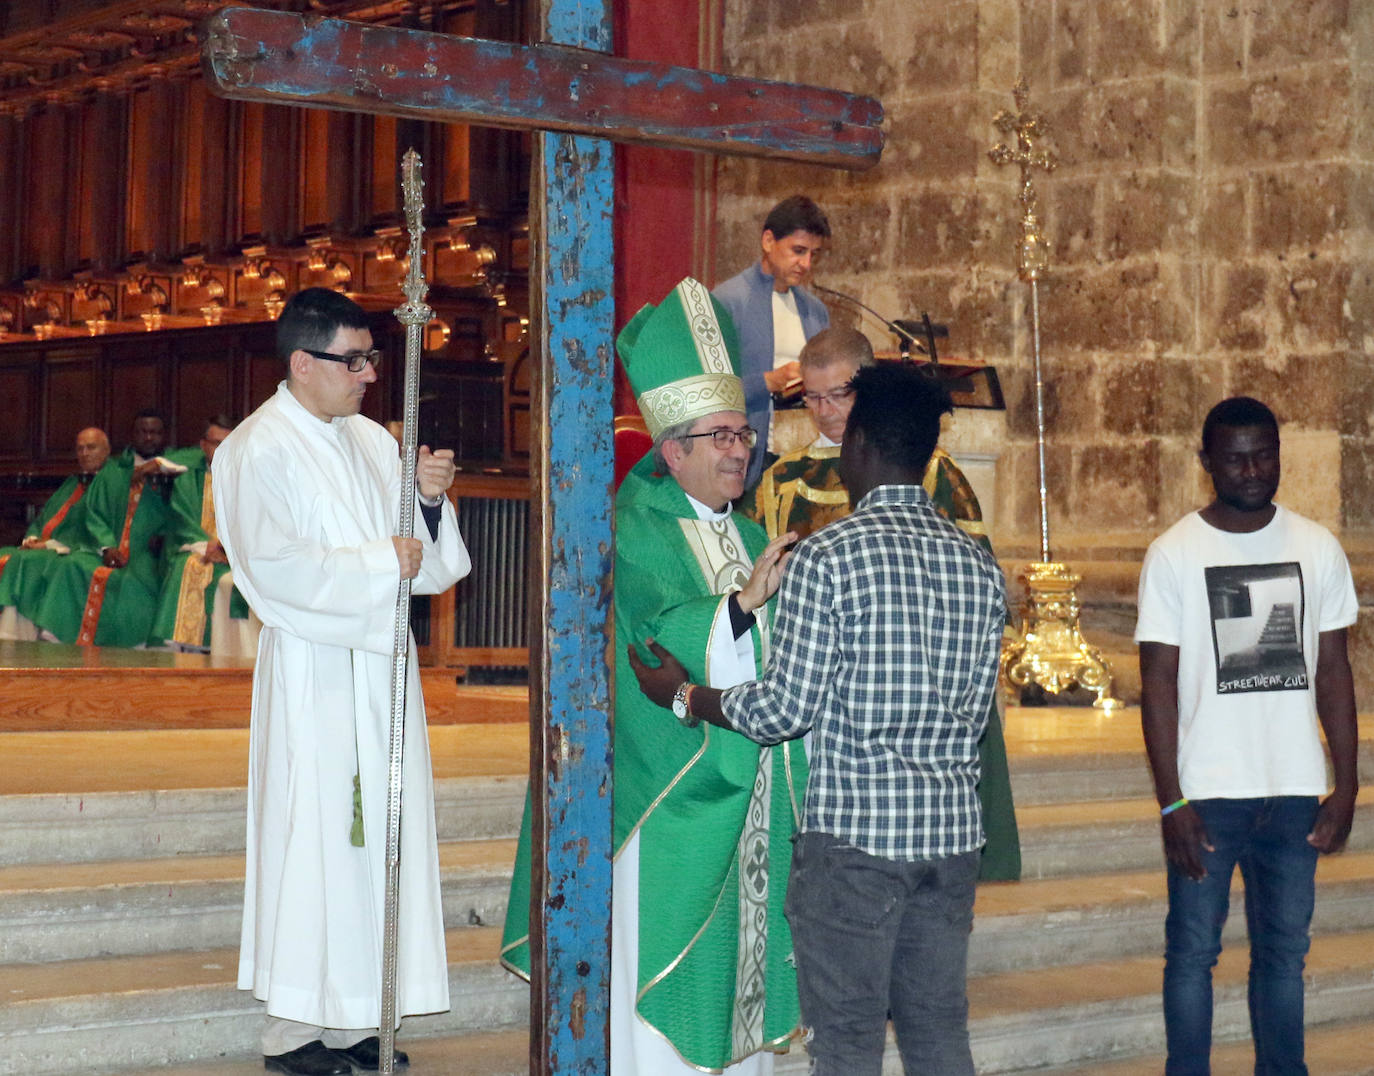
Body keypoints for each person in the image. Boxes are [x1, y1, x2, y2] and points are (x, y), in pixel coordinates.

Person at [631, 361, 1006, 1076]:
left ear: (857, 447)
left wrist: (686, 696)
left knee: (847, 1042)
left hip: (857, 847)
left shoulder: (829, 557)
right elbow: (978, 711)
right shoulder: (978, 567)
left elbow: (783, 710)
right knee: (937, 1033)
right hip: (953, 840)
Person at [500, 278, 806, 1074]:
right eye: (721, 437)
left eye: (744, 433)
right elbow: (651, 647)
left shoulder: (750, 527)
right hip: (667, 793)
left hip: (754, 787)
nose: (741, 449)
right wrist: (740, 605)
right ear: (673, 451)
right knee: (663, 965)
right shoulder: (632, 530)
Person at [214, 287, 471, 1076]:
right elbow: (273, 570)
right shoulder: (255, 450)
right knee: (317, 842)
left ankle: (359, 1015)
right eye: (353, 359)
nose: (367, 374)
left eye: (371, 358)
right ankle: (294, 1032)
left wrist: (428, 501)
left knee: (376, 846)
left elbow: (432, 568)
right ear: (303, 361)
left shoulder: (368, 439)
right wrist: (374, 564)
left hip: (381, 677)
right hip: (315, 680)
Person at [739, 326, 1020, 881]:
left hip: (909, 695)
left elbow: (979, 596)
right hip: (808, 681)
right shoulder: (781, 479)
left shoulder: (932, 473)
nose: (823, 411)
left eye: (838, 394)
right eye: (811, 397)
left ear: (865, 390)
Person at [1135, 396, 1358, 1075]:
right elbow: (1160, 682)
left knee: (1285, 955)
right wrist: (1172, 800)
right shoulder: (1174, 553)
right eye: (1234, 457)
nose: (1252, 468)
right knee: (1194, 953)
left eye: (1264, 454)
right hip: (1208, 792)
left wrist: (1346, 783)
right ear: (1206, 462)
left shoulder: (1316, 547)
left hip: (1292, 788)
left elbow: (1335, 674)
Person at [31, 410, 183, 646]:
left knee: (136, 581)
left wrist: (163, 536)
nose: (149, 437)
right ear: (133, 435)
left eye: (155, 432)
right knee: (72, 565)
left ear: (164, 436)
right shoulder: (114, 471)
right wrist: (107, 546)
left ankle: (135, 642)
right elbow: (95, 513)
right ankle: (59, 634)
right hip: (108, 548)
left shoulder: (177, 473)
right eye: (143, 432)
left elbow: (182, 512)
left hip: (147, 550)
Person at [714, 194, 831, 487]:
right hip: (748, 453)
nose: (805, 264)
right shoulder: (727, 302)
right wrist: (767, 382)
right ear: (768, 241)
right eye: (798, 250)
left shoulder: (816, 312)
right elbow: (707, 391)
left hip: (804, 456)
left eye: (812, 254)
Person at [0, 427, 110, 638]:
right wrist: (33, 538)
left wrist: (50, 544)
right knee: (7, 553)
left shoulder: (109, 484)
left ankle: (16, 632)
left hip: (71, 551)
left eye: (91, 447)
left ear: (106, 450)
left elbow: (92, 527)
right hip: (46, 546)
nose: (84, 453)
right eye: (80, 448)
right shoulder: (73, 482)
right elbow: (44, 519)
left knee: (23, 562)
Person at [148, 415, 242, 651]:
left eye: (228, 443)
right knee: (188, 565)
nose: (223, 450)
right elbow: (181, 518)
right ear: (203, 445)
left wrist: (226, 548)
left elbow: (253, 519)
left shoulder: (247, 478)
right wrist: (206, 546)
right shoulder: (188, 479)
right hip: (198, 548)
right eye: (216, 443)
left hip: (233, 554)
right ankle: (181, 643)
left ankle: (221, 645)